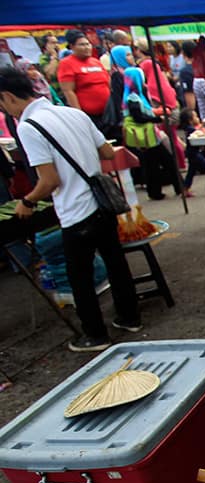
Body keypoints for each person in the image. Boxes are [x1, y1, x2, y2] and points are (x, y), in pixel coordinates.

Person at [0, 67, 141, 352]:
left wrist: (27, 202)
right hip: (102, 204)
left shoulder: (29, 127)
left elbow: (49, 181)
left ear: (7, 97)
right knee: (116, 263)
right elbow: (108, 153)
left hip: (76, 212)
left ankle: (95, 336)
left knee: (80, 277)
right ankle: (130, 318)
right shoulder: (72, 113)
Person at [122, 67, 181, 200]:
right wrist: (156, 118)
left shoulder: (135, 95)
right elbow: (138, 117)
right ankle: (177, 187)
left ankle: (160, 191)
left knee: (153, 163)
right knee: (163, 161)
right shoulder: (133, 97)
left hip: (148, 135)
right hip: (147, 135)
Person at [57, 30, 112, 128]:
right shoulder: (66, 63)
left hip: (108, 113)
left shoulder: (95, 61)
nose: (87, 47)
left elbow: (107, 82)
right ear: (72, 46)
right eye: (82, 45)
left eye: (88, 44)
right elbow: (68, 91)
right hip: (89, 116)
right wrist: (80, 115)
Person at [178, 107, 205, 196]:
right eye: (195, 117)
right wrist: (202, 126)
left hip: (193, 153)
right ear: (190, 120)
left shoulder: (190, 128)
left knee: (191, 172)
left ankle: (185, 189)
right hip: (194, 153)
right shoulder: (190, 129)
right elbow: (198, 133)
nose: (198, 118)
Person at [134, 38, 177, 112]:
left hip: (151, 95)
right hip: (163, 94)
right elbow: (165, 79)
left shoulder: (142, 65)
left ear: (139, 50)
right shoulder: (155, 62)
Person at [178, 40, 197, 110]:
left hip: (196, 110)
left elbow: (189, 94)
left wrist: (191, 112)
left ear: (183, 53)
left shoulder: (185, 72)